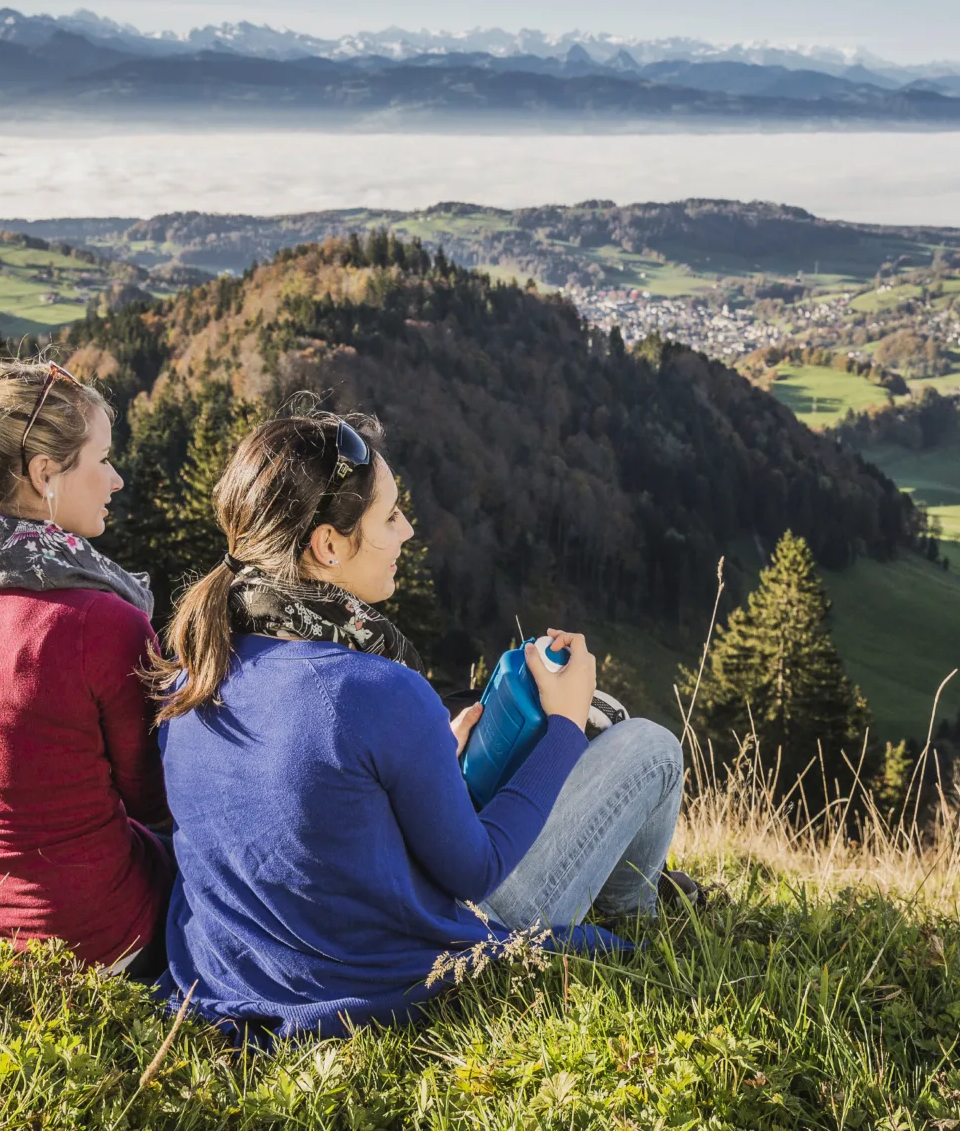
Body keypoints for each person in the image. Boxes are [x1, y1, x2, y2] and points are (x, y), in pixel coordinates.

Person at [153, 408, 687, 1040]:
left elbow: (304, 812)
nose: (407, 529)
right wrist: (567, 725)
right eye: (389, 516)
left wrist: (427, 761)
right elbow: (475, 871)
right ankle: (634, 911)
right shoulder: (373, 690)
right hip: (379, 980)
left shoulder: (193, 672)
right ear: (328, 546)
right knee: (650, 748)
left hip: (234, 975)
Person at [0, 359, 171, 976]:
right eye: (102, 460)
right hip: (88, 936)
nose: (116, 480)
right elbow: (154, 797)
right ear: (45, 474)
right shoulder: (103, 623)